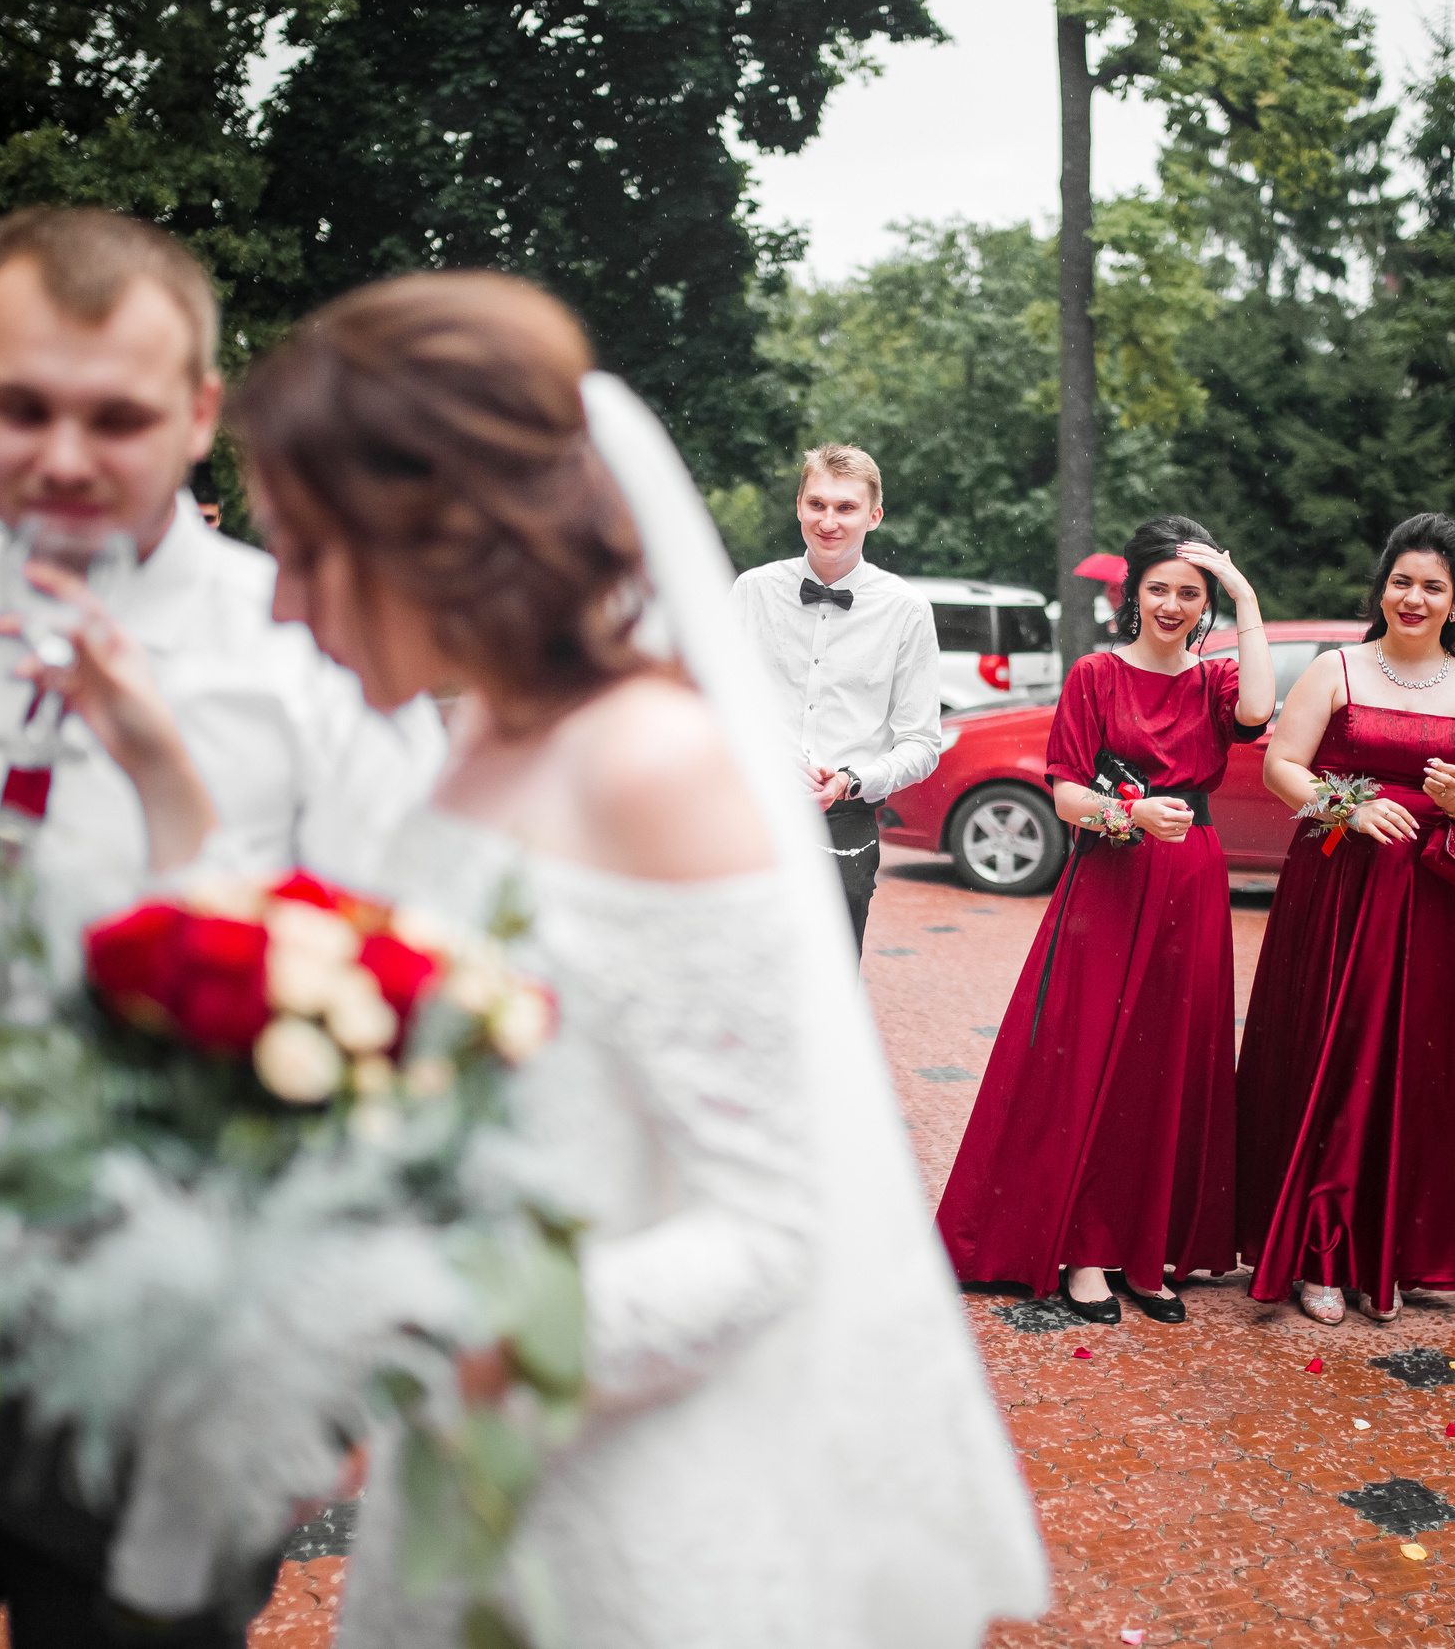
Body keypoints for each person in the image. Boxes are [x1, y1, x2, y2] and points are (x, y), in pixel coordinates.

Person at [216, 272, 1048, 1647]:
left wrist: (435, 1331)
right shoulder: (462, 746)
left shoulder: (654, 768)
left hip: (623, 1507)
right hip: (463, 1484)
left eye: (312, 550)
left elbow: (775, 1231)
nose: (287, 604)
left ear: (444, 527)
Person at [0, 207, 446, 1647]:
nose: (60, 456)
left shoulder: (309, 649)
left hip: (170, 1315)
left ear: (200, 411)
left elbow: (394, 985)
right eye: (19, 406)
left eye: (115, 417)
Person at [935, 517, 1274, 1323]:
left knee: (1170, 1061)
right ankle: (1086, 1249)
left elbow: (1258, 710)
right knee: (1094, 1056)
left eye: (1189, 593)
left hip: (1191, 876)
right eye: (1159, 588)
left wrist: (1245, 593)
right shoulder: (1094, 674)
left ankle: (1146, 1249)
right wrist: (1129, 816)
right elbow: (1063, 792)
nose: (1172, 604)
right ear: (1133, 593)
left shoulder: (1214, 680)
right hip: (1112, 878)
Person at [1234, 513, 1455, 1326]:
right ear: (1382, 588)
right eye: (1401, 581)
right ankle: (1318, 1253)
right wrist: (1346, 808)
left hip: (1430, 903)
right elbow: (1281, 766)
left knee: (1411, 1063)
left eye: (1432, 586)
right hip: (1336, 889)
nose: (1413, 597)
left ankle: (1387, 1250)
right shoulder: (1336, 669)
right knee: (1332, 1053)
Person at [729, 446, 941, 947]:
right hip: (748, 810)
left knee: (827, 992)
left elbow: (922, 743)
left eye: (845, 508)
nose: (829, 521)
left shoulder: (906, 610)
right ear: (798, 505)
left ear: (874, 516)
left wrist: (850, 780)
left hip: (845, 821)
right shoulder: (751, 592)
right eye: (817, 504)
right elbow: (714, 708)